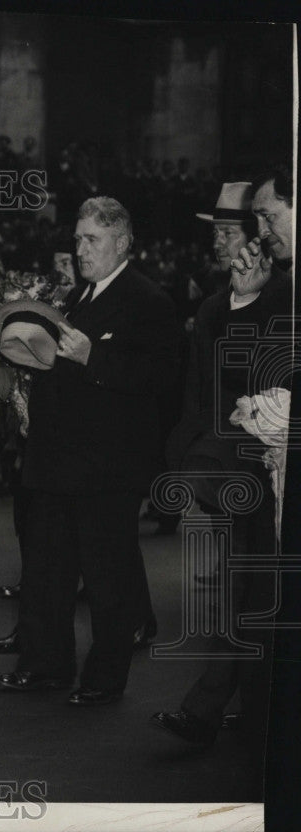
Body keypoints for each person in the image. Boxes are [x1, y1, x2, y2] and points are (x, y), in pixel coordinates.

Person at [0, 197, 178, 706]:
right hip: (56, 462)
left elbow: (160, 380)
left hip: (106, 469)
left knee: (107, 581)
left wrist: (92, 355)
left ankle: (104, 679)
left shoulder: (149, 301)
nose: (79, 249)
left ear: (122, 243)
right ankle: (46, 666)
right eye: (77, 238)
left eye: (91, 240)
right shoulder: (78, 295)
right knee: (46, 574)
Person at [153, 171, 293, 754]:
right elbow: (205, 390)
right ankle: (233, 713)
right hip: (242, 470)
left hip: (271, 467)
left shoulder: (282, 292)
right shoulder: (221, 302)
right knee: (249, 596)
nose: (219, 242)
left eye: (233, 229)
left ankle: (230, 713)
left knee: (259, 597)